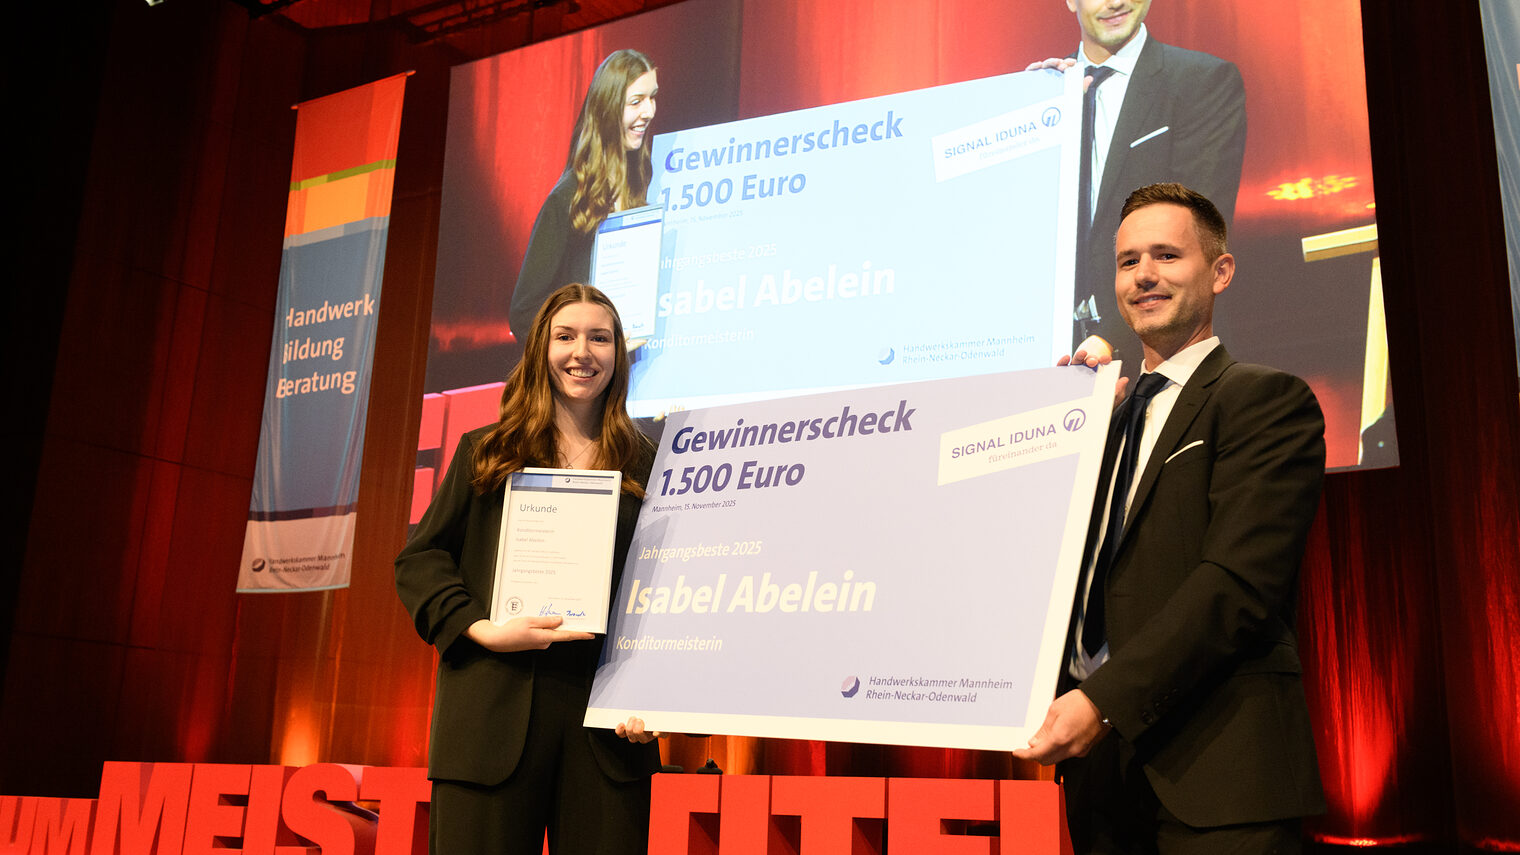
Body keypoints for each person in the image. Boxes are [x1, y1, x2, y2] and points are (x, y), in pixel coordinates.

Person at [1018, 183, 1326, 854]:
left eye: (1166, 255)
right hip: (1102, 785)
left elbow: (1236, 586)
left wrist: (1100, 701)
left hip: (1219, 780)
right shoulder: (1103, 419)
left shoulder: (1263, 400)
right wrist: (1057, 443)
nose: (1144, 275)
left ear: (1220, 271)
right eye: (1129, 260)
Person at [397, 283, 662, 854]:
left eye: (600, 337)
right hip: (489, 717)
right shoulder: (486, 451)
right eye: (565, 336)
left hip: (608, 731)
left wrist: (656, 691)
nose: (582, 352)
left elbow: (671, 588)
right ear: (541, 347)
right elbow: (420, 559)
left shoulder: (650, 465)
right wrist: (482, 627)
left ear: (619, 354)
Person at [1027, 1, 1246, 365]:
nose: (1115, 2)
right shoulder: (1044, 95)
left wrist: (1109, 339)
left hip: (1160, 350)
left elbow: (1197, 230)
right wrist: (1029, 124)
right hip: (1048, 357)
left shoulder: (1200, 82)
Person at [509, 50, 658, 341]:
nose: (649, 111)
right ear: (607, 108)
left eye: (652, 97)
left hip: (634, 374)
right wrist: (586, 343)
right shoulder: (567, 199)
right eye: (636, 101)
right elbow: (524, 313)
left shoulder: (644, 184)